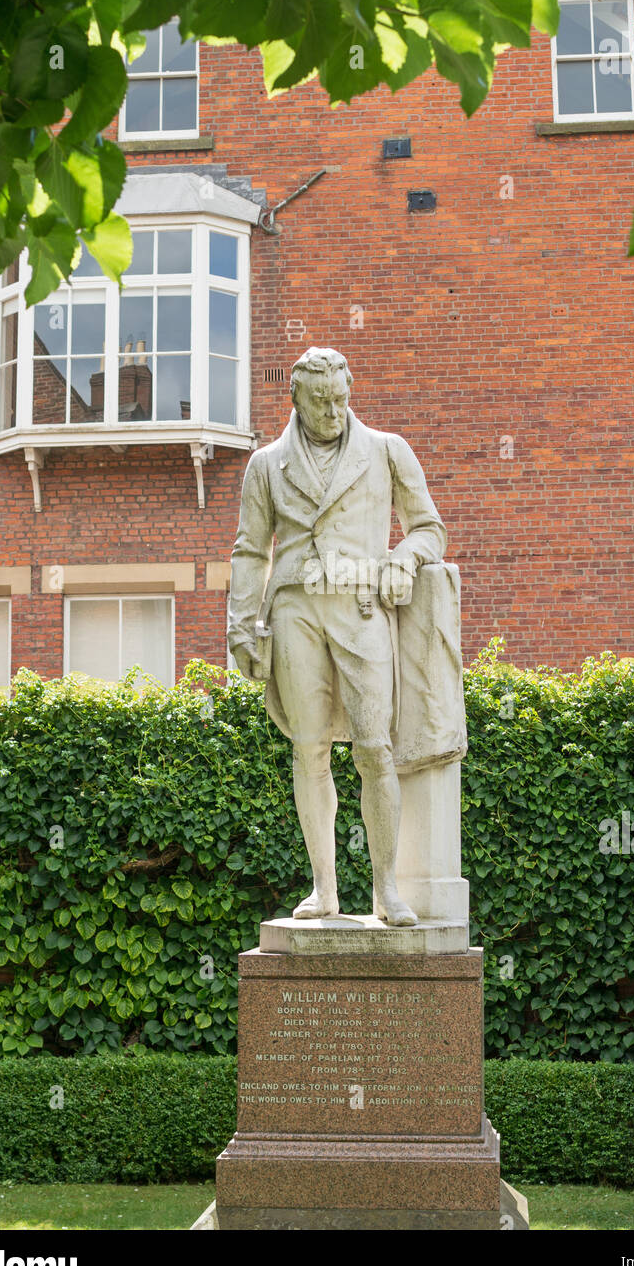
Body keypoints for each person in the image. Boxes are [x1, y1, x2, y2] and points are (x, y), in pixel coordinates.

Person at [228, 347, 446, 926]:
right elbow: (251, 551)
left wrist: (404, 558)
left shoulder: (386, 451)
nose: (332, 412)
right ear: (295, 398)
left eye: (341, 399)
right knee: (309, 746)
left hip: (360, 605)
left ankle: (385, 890)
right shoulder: (266, 464)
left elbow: (430, 528)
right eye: (320, 401)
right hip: (296, 607)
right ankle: (325, 889)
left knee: (375, 747)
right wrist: (241, 627)